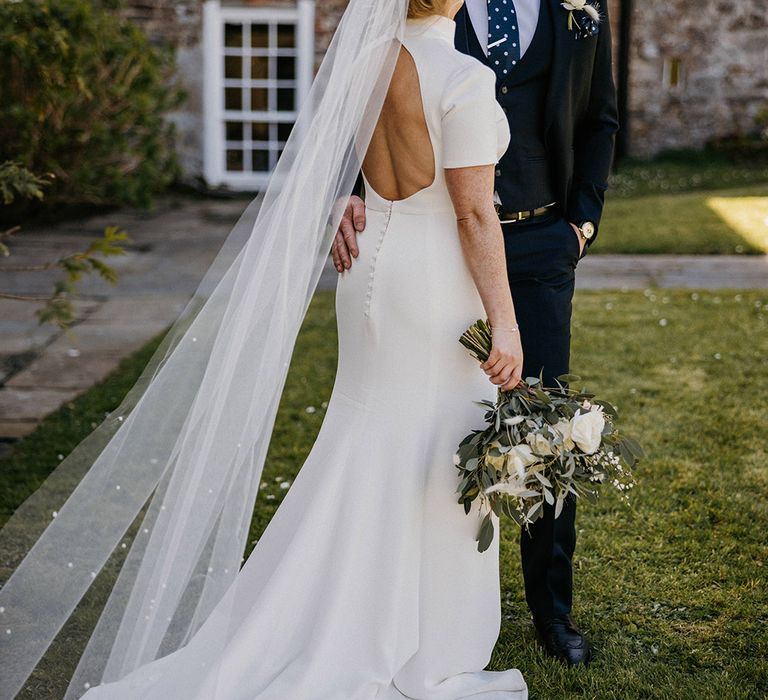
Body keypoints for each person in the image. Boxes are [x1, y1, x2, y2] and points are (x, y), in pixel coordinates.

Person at [0, 0, 531, 697]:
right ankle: (424, 637)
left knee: (368, 431)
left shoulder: (364, 61)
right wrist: (506, 318)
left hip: (370, 270)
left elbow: (347, 166)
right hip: (436, 284)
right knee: (440, 442)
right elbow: (471, 211)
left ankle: (335, 606)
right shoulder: (462, 74)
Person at [333, 0, 619, 667]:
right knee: (434, 418)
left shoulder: (581, 5)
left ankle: (552, 613)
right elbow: (378, 89)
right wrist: (352, 189)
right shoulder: (424, 6)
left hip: (542, 236)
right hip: (438, 249)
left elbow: (600, 116)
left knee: (542, 427)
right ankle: (416, 595)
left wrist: (581, 225)